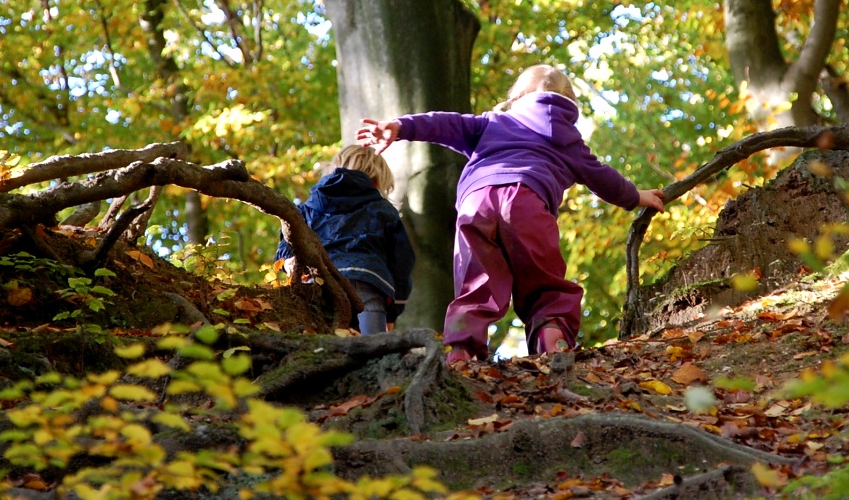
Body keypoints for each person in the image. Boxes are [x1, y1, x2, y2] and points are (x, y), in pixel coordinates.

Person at [357, 65, 665, 362]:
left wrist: (400, 127)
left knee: (475, 284)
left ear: (515, 98)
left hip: (475, 203)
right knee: (544, 283)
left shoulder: (493, 122)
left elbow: (445, 123)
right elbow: (602, 177)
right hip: (527, 201)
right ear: (570, 104)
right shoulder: (568, 139)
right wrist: (637, 196)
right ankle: (551, 339)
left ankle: (463, 351)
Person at [275, 145, 415, 335]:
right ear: (376, 180)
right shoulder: (382, 209)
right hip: (366, 282)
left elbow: (287, 242)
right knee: (373, 350)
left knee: (319, 346)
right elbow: (402, 261)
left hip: (319, 281)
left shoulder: (309, 207)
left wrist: (289, 262)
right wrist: (394, 310)